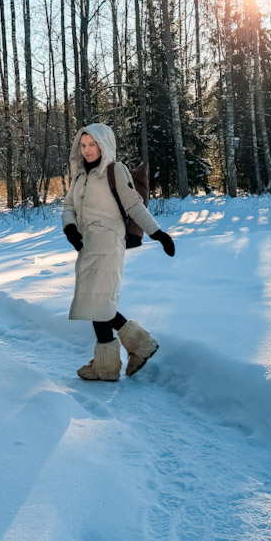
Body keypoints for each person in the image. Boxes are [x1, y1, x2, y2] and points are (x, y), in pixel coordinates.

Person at [62, 123, 175, 381]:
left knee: (98, 302)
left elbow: (134, 205)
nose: (88, 150)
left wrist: (158, 234)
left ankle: (109, 365)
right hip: (87, 245)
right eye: (84, 145)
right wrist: (70, 228)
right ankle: (136, 348)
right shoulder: (80, 175)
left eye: (93, 144)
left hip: (109, 244)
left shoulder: (116, 170)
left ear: (104, 145)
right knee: (96, 303)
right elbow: (68, 205)